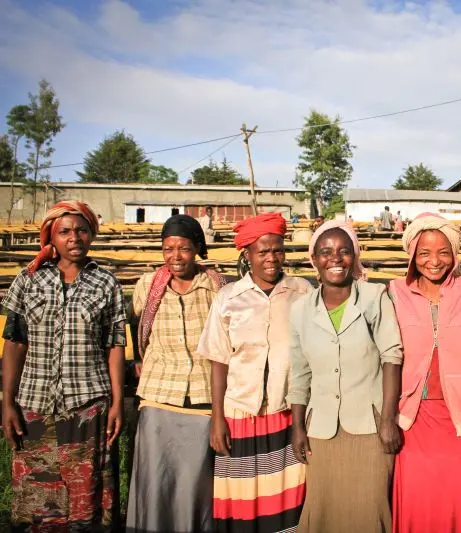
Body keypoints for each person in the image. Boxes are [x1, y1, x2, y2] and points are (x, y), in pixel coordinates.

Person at [1, 201, 126, 530]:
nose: (75, 237)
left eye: (82, 230)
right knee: (38, 498)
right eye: (65, 231)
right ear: (51, 238)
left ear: (91, 235)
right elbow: (14, 342)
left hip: (87, 406)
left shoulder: (105, 283)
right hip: (35, 405)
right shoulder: (28, 280)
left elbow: (114, 345)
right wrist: (7, 401)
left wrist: (116, 404)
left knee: (87, 496)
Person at [197, 213, 311, 532]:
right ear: (247, 255)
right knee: (243, 503)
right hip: (239, 415)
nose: (271, 258)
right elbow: (218, 361)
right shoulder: (228, 299)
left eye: (277, 250)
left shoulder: (301, 293)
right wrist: (217, 418)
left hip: (285, 413)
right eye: (262, 251)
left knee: (286, 502)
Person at [288, 220, 403, 533]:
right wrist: (297, 427)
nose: (335, 258)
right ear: (315, 260)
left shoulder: (373, 297)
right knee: (323, 509)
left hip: (370, 426)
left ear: (355, 256)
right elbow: (300, 372)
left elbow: (391, 356)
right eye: (326, 252)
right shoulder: (300, 310)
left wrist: (388, 419)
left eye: (343, 251)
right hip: (321, 430)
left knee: (369, 508)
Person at [126, 214, 227, 533]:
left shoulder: (215, 285)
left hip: (203, 395)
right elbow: (135, 324)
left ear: (197, 248)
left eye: (183, 248)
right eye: (168, 248)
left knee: (196, 481)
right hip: (159, 395)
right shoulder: (147, 285)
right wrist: (139, 360)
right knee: (158, 477)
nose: (175, 256)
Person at [389, 213, 461, 533]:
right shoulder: (394, 293)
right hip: (412, 418)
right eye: (425, 253)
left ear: (454, 255)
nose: (434, 261)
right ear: (413, 255)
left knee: (455, 496)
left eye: (443, 252)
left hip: (460, 417)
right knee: (417, 499)